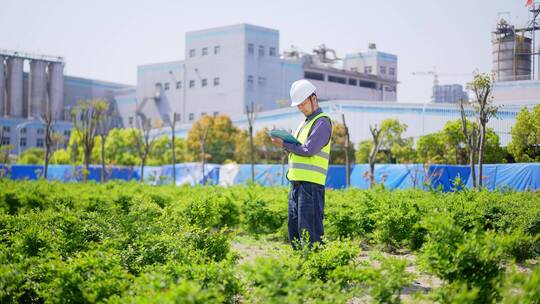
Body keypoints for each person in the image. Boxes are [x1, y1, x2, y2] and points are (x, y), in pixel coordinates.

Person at [271, 79, 332, 249]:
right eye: (298, 106)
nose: (301, 108)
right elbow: (298, 152)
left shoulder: (322, 122)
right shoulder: (303, 124)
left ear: (314, 98)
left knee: (310, 234)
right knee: (295, 233)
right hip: (296, 186)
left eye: (303, 104)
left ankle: (316, 270)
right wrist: (286, 145)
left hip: (311, 187)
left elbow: (308, 150)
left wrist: (284, 144)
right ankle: (299, 269)